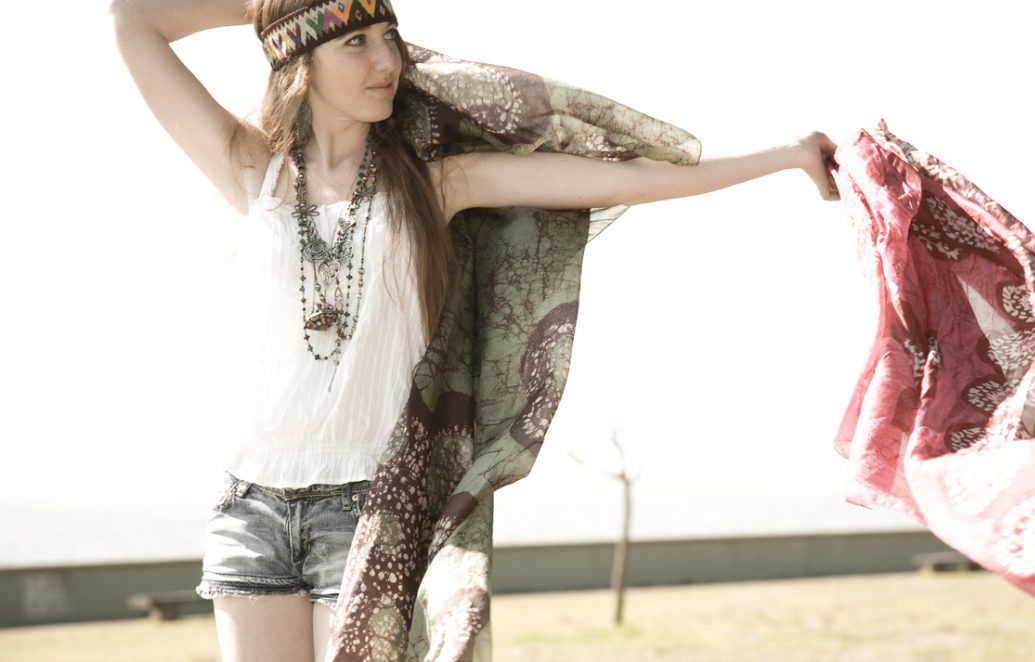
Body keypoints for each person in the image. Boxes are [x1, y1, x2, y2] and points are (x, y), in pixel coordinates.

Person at [110, 0, 839, 659]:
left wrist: (787, 157)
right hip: (251, 508)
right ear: (297, 59)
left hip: (371, 507)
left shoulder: (435, 184)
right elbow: (133, 19)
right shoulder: (252, 171)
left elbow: (628, 180)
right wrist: (268, 7)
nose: (386, 60)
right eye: (356, 43)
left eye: (389, 37)